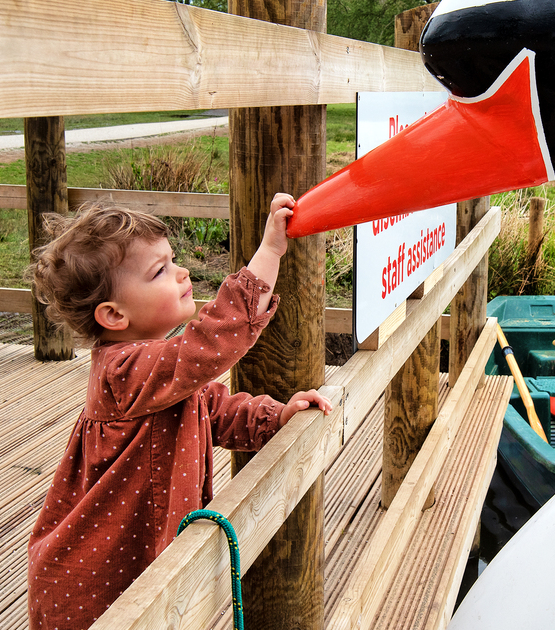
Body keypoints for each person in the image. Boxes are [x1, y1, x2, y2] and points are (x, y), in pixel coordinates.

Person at [25, 194, 332, 630]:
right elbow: (208, 344)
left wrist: (276, 417)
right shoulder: (124, 371)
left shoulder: (159, 373)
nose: (182, 271)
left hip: (143, 563)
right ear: (114, 315)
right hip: (95, 578)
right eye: (160, 271)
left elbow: (214, 410)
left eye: (173, 260)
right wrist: (270, 252)